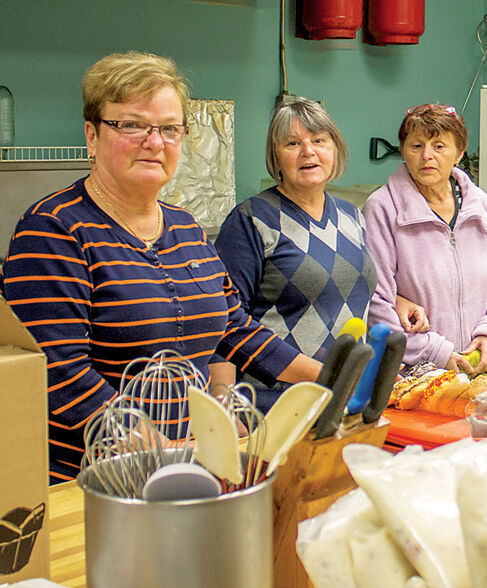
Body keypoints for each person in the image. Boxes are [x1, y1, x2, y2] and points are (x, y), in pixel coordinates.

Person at [0, 52, 321, 483]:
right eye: (131, 125)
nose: (155, 141)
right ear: (91, 136)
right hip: (90, 480)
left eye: (170, 129)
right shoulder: (54, 229)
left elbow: (233, 328)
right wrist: (159, 448)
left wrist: (331, 380)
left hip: (182, 466)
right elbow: (58, 369)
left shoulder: (186, 228)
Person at [211, 98, 377, 411]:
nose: (308, 152)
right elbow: (223, 326)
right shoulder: (251, 220)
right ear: (276, 155)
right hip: (275, 407)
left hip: (345, 401)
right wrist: (224, 409)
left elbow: (348, 291)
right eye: (292, 143)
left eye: (318, 140)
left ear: (335, 148)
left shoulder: (353, 215)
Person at [363, 104, 487, 375]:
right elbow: (376, 301)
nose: (427, 156)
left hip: (481, 367)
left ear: (459, 153)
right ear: (403, 151)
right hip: (415, 373)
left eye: (439, 146)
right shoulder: (382, 208)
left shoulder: (479, 203)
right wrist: (435, 352)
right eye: (416, 146)